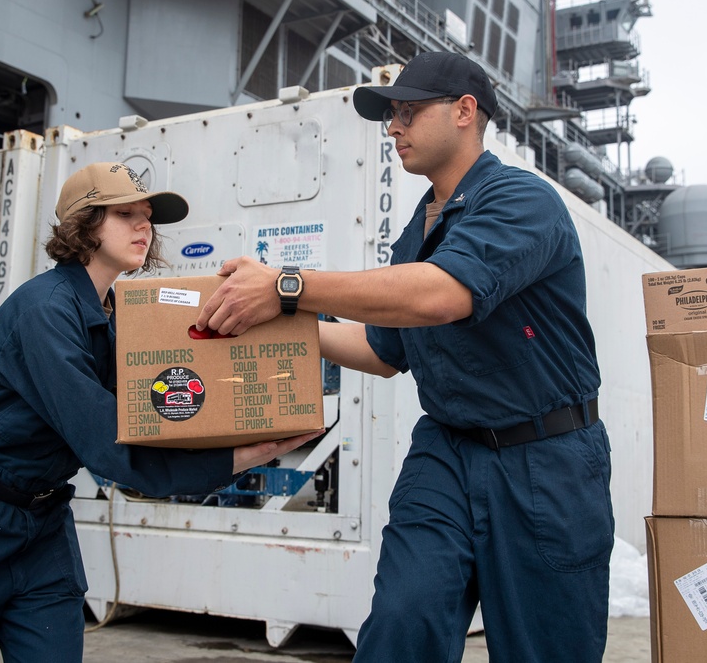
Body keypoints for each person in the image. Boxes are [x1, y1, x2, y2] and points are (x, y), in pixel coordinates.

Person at [195, 52, 614, 662]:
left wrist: (286, 285)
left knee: (544, 648)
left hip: (543, 462)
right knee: (400, 624)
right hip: (446, 452)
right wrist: (267, 321)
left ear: (466, 112)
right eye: (391, 115)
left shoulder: (523, 201)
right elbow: (380, 348)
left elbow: (441, 296)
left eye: (409, 112)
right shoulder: (417, 231)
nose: (394, 127)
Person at [0, 162, 321, 662]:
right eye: (125, 214)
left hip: (40, 519)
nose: (145, 226)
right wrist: (235, 458)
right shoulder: (45, 311)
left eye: (147, 216)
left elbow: (153, 410)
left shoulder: (114, 314)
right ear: (85, 225)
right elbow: (105, 440)